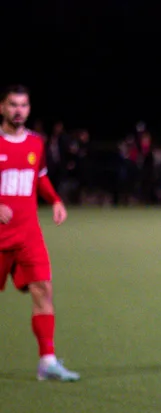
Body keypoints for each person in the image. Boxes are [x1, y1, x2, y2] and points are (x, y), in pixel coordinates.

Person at [0, 85, 79, 381]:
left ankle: (47, 361)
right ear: (2, 108)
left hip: (28, 235)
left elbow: (40, 176)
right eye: (12, 104)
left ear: (29, 109)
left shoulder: (36, 143)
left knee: (44, 289)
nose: (18, 110)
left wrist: (55, 200)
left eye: (23, 105)